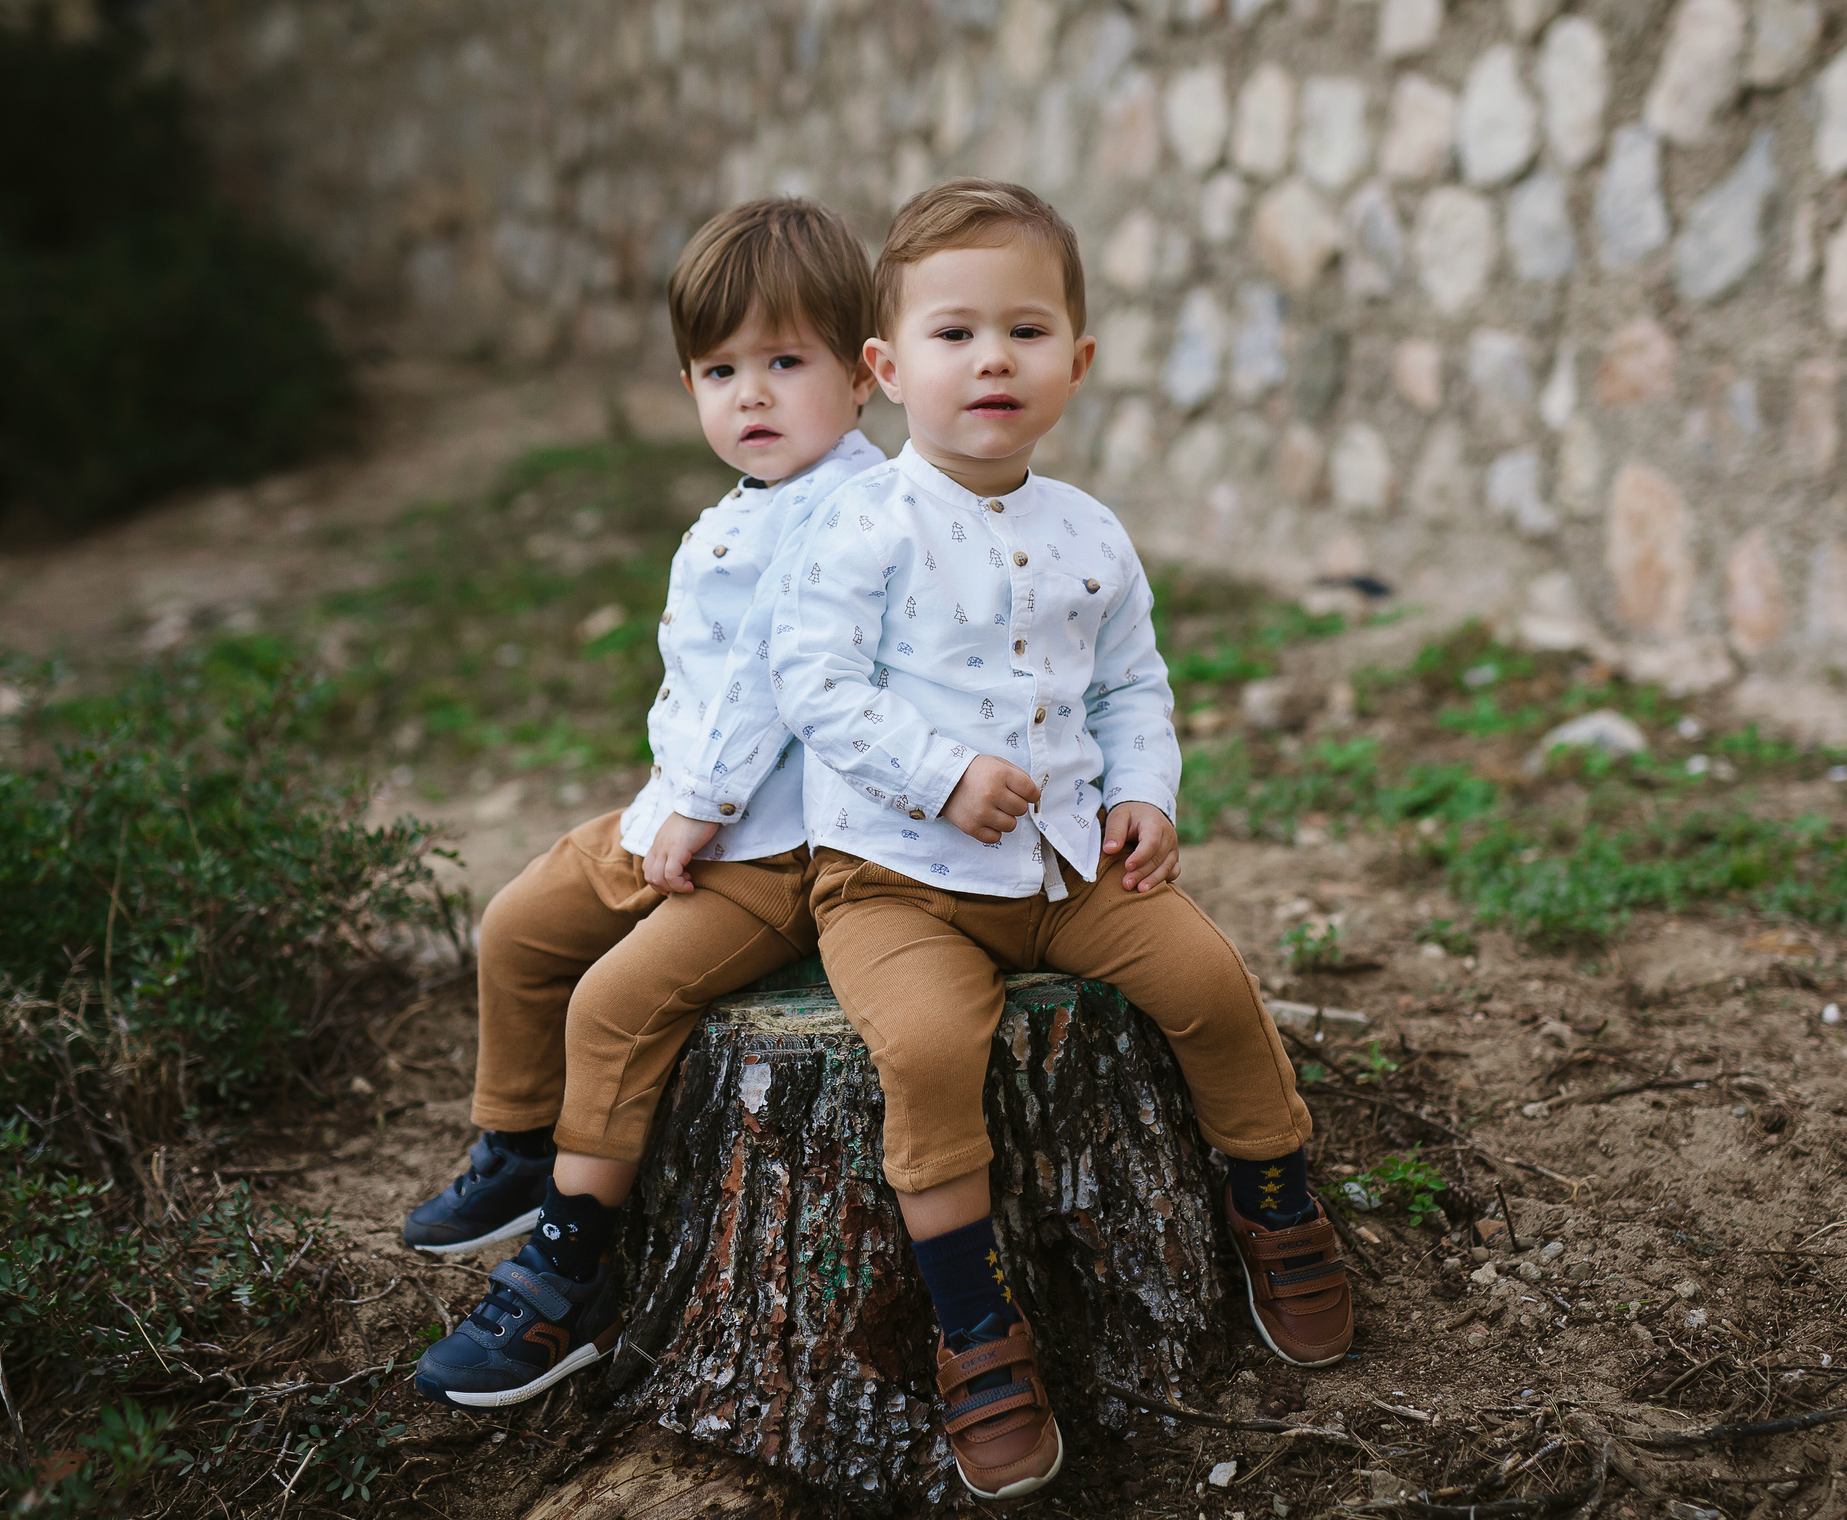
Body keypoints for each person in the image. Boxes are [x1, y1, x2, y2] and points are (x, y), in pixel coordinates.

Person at [771, 179, 1352, 1501]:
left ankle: (1274, 1198)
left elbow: (1129, 685)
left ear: (1076, 363)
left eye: (1026, 332)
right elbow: (818, 684)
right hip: (898, 878)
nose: (992, 360)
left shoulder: (1090, 531)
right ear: (884, 367)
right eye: (954, 333)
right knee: (926, 1048)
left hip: (1068, 863)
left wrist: (1147, 787)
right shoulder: (859, 524)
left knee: (1206, 978)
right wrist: (939, 773)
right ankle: (974, 1322)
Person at [408, 198, 889, 1412]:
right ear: (687, 384)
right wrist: (668, 806)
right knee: (520, 925)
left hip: (776, 852)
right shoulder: (733, 513)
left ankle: (567, 1278)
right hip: (676, 811)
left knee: (616, 1008)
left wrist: (705, 807)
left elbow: (789, 675)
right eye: (722, 370)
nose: (753, 396)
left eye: (787, 363)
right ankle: (519, 1146)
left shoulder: (858, 512)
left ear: (863, 373)